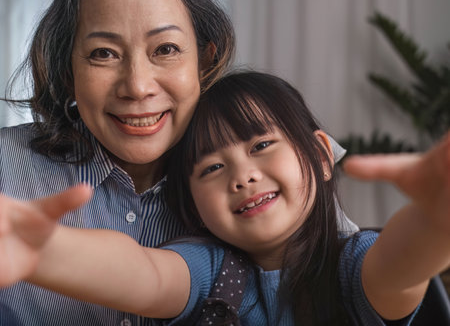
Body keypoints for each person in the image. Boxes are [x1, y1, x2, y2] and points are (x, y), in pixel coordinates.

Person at [1, 71, 449, 325]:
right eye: (212, 168)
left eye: (261, 146)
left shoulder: (352, 266)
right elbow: (144, 274)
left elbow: (400, 267)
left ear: (319, 154)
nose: (242, 176)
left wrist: (434, 222)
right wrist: (45, 250)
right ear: (193, 203)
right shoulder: (211, 269)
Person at [0, 0, 236, 325]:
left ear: (204, 60)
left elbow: (334, 267)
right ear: (68, 71)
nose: (138, 87)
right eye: (103, 54)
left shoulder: (255, 178)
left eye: (166, 49)